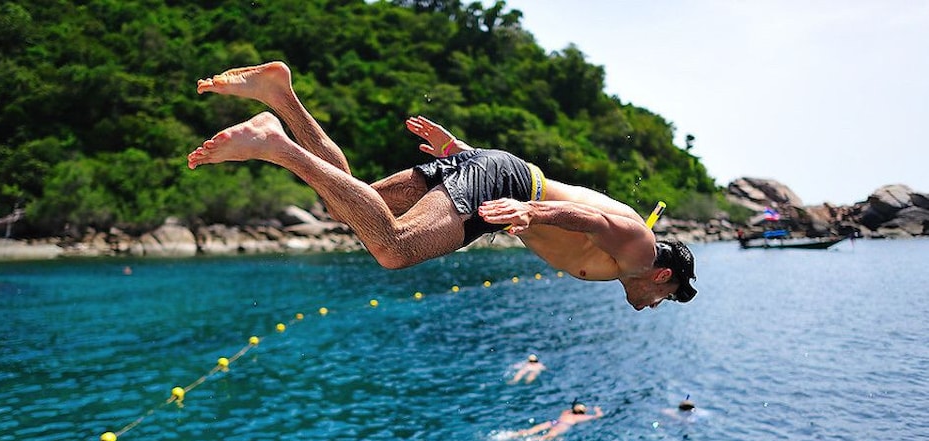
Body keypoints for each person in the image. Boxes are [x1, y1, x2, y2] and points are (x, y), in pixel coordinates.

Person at [186, 61, 697, 310]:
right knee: (393, 249)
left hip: (496, 172)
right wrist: (529, 214)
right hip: (510, 186)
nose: (658, 305)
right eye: (668, 296)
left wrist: (462, 156)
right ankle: (276, 144)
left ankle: (281, 95)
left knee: (350, 203)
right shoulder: (640, 251)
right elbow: (593, 219)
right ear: (662, 277)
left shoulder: (627, 265)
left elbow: (576, 209)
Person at [514, 399, 604, 441]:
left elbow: (574, 409)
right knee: (547, 437)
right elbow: (598, 416)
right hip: (563, 426)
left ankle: (515, 434)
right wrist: (597, 410)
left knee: (530, 431)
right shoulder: (580, 417)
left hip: (553, 422)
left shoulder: (566, 412)